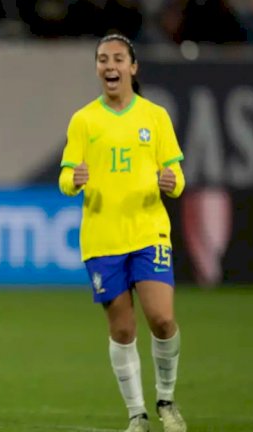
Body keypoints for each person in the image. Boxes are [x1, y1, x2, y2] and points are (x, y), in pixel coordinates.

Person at [58, 33, 187, 432]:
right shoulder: (84, 120)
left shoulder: (155, 116)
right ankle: (137, 414)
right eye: (102, 59)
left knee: (162, 320)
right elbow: (65, 177)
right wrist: (73, 179)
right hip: (102, 239)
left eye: (117, 59)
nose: (109, 66)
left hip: (149, 233)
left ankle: (165, 399)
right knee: (123, 328)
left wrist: (172, 182)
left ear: (133, 67)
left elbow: (177, 175)